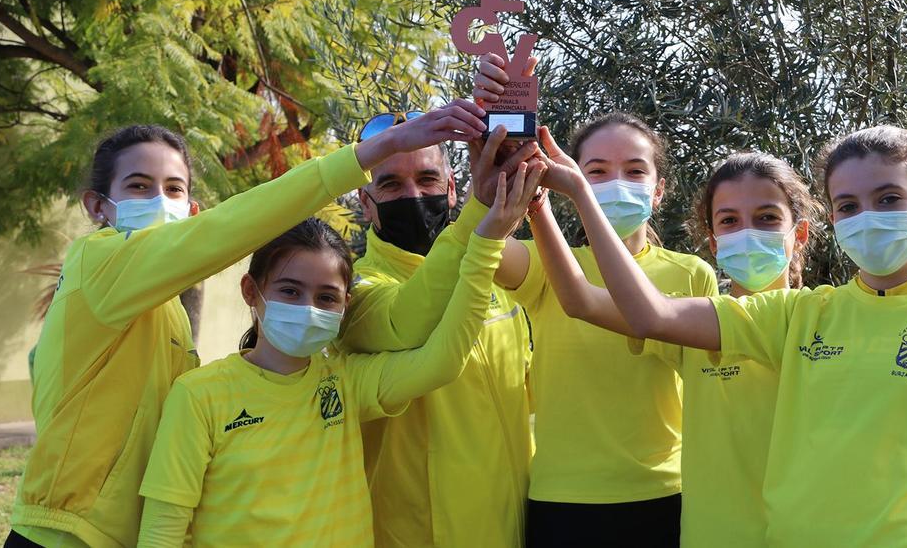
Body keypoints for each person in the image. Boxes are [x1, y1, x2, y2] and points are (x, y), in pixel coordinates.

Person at [5, 102, 488, 548]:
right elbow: (233, 228)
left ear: (191, 211)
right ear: (96, 207)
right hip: (63, 535)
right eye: (138, 186)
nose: (159, 199)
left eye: (174, 188)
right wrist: (370, 152)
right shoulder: (97, 261)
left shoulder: (163, 305)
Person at [538, 124, 907, 546]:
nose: (866, 218)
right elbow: (648, 314)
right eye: (847, 206)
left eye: (887, 199)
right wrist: (578, 194)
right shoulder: (801, 316)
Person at [136, 161, 544, 546]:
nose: (308, 308)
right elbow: (163, 529)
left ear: (344, 304)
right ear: (251, 291)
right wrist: (482, 237)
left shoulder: (346, 382)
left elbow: (440, 361)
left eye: (326, 297)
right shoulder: (199, 395)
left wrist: (486, 245)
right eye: (290, 291)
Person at [473, 54, 710, 548]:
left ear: (659, 190)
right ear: (571, 179)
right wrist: (492, 135)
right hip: (563, 502)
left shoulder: (692, 274)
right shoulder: (547, 262)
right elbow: (485, 252)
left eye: (634, 169)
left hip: (665, 496)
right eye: (596, 171)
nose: (615, 182)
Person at [525, 149, 818, 547]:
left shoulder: (817, 321)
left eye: (767, 218)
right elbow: (579, 299)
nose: (747, 232)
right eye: (729, 221)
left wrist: (581, 191)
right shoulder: (695, 330)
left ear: (798, 233)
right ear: (713, 243)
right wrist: (538, 202)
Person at [337, 116, 538, 547]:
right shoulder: (353, 292)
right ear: (366, 201)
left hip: (511, 526)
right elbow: (406, 322)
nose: (413, 195)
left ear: (449, 187)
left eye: (427, 179)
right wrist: (478, 217)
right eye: (391, 185)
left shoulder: (499, 275)